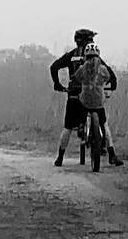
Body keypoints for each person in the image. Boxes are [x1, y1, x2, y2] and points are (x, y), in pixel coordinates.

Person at [50, 29, 122, 166]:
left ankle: (60, 158)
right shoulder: (95, 58)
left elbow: (54, 67)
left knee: (68, 127)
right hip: (94, 95)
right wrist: (110, 87)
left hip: (73, 95)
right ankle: (112, 154)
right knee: (104, 123)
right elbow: (111, 75)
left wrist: (57, 84)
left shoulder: (71, 55)